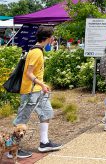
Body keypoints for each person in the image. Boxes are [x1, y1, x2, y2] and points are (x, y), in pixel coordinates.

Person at [13, 26, 62, 158]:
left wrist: (42, 86)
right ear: (48, 38)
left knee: (46, 113)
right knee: (22, 118)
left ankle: (44, 143)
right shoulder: (36, 52)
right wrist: (42, 84)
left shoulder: (38, 50)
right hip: (30, 91)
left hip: (37, 90)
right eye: (53, 37)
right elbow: (28, 73)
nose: (53, 39)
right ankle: (13, 149)